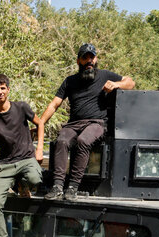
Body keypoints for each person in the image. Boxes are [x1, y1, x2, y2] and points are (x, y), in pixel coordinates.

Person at [40, 43, 135, 200]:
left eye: (92, 57)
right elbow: (54, 104)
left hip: (96, 123)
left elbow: (130, 82)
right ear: (79, 61)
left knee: (83, 140)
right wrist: (41, 122)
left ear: (96, 59)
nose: (89, 60)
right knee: (61, 141)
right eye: (85, 58)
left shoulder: (104, 75)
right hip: (73, 124)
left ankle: (73, 187)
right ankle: (57, 186)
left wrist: (116, 84)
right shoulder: (70, 81)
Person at [0, 74, 44, 237]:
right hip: (6, 164)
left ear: (8, 89)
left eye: (3, 88)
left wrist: (39, 149)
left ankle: (22, 185)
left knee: (36, 179)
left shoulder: (21, 107)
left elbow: (40, 123)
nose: (0, 92)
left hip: (26, 158)